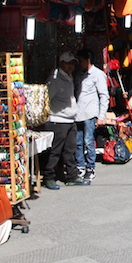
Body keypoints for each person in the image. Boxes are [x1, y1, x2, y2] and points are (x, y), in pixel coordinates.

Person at [44, 52, 80, 189]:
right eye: (68, 63)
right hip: (57, 120)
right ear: (61, 63)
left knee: (70, 150)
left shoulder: (69, 78)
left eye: (73, 63)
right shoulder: (54, 80)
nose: (71, 66)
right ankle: (49, 177)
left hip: (70, 120)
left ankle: (72, 176)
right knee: (55, 151)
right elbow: (46, 100)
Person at [73, 48, 109, 185]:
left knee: (88, 141)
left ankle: (90, 168)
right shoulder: (79, 75)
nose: (79, 64)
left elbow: (104, 96)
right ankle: (80, 167)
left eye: (81, 61)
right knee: (78, 142)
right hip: (78, 113)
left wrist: (101, 116)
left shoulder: (98, 74)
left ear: (87, 60)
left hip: (90, 113)